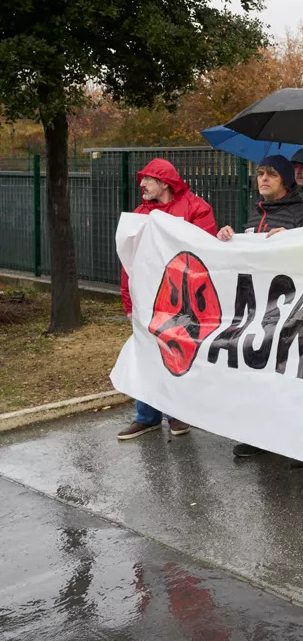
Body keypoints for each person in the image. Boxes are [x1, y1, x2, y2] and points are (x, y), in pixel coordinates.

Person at [216, 155, 303, 461]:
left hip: (292, 313)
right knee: (257, 374)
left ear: (284, 181)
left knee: (289, 377)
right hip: (257, 313)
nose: (263, 179)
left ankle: (298, 441)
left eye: (270, 174)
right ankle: (259, 435)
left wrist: (293, 241)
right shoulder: (252, 216)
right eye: (260, 173)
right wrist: (227, 239)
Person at [116, 159, 217, 441]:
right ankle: (146, 417)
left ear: (164, 183)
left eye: (147, 179)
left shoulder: (197, 209)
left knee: (177, 353)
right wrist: (129, 303)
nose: (142, 184)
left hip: (181, 300)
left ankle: (178, 412)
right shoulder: (139, 215)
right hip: (146, 301)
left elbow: (205, 253)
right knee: (147, 354)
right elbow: (129, 263)